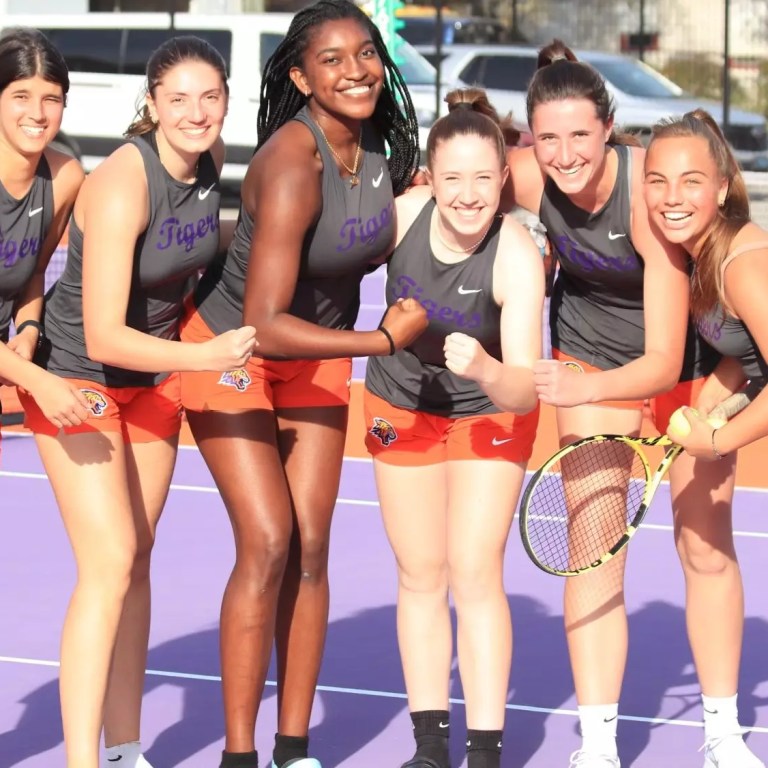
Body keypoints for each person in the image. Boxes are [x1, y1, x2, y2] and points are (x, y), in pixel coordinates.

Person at [177, 2, 427, 767]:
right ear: (300, 75)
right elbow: (265, 319)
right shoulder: (294, 160)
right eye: (331, 60)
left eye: (366, 54)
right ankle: (240, 754)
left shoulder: (384, 144)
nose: (354, 71)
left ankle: (294, 748)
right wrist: (383, 340)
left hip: (315, 354)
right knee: (269, 540)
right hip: (236, 350)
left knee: (313, 547)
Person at [500, 41, 762, 768]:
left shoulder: (648, 199)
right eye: (546, 136)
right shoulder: (524, 175)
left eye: (580, 134)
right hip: (592, 356)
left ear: (610, 129)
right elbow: (443, 193)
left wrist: (705, 423)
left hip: (681, 365)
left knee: (704, 547)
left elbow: (665, 354)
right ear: (529, 138)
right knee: (593, 555)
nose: (564, 152)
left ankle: (723, 732)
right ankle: (599, 742)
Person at [17, 36, 256, 768]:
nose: (195, 112)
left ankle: (124, 750)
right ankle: (82, 760)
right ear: (150, 104)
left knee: (139, 558)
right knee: (110, 559)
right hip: (83, 374)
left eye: (209, 97)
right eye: (177, 98)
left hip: (150, 384)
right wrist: (207, 358)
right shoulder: (124, 180)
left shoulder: (211, 166)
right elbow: (104, 333)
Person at [364, 88, 543, 768]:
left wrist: (489, 370)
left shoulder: (515, 254)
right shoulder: (403, 216)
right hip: (397, 406)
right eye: (453, 178)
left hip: (486, 410)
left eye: (482, 178)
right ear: (429, 179)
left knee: (473, 572)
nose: (468, 195)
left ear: (503, 179)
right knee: (419, 573)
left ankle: (486, 750)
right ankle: (430, 745)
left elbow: (525, 390)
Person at [645, 113, 768, 469]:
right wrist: (717, 391)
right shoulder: (703, 253)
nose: (671, 198)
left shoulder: (744, 268)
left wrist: (718, 441)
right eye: (657, 181)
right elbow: (748, 340)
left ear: (723, 188)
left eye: (691, 182)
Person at [0, 28, 88, 434]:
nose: (37, 113)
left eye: (51, 98)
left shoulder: (65, 175)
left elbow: (35, 271)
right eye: (21, 96)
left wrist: (30, 329)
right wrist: (35, 378)